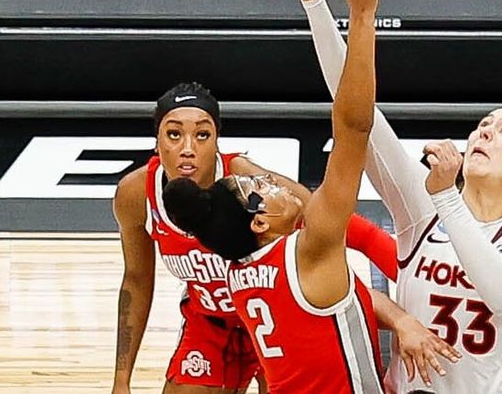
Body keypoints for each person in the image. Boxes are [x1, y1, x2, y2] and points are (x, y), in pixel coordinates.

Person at [257, 0, 502, 394]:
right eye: (483, 125)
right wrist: (317, 4)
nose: (486, 131)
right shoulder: (421, 211)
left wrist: (447, 196)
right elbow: (356, 115)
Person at [163, 0, 393, 393]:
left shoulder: (238, 273)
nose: (274, 184)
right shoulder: (311, 250)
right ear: (259, 220)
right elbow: (354, 130)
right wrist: (362, 18)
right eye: (261, 188)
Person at [111, 82, 398, 394]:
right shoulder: (135, 193)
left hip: (273, 322)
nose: (188, 148)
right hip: (209, 325)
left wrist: (414, 270)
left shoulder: (249, 184)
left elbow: (340, 224)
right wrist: (121, 381)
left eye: (202, 135)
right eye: (174, 134)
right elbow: (137, 280)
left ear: (217, 142)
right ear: (157, 142)